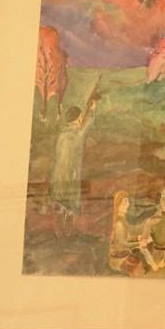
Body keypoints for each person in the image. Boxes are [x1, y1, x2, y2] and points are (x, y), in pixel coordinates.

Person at [49, 92, 98, 237]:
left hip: (58, 175)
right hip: (71, 175)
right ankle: (67, 234)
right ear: (78, 118)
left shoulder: (61, 134)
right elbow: (89, 122)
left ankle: (60, 233)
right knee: (70, 205)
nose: (82, 118)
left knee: (60, 202)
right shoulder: (77, 133)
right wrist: (93, 107)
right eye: (81, 116)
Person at [107, 190, 144, 276]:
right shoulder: (119, 224)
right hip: (119, 258)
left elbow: (127, 237)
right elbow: (123, 243)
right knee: (140, 267)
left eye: (127, 201)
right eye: (124, 202)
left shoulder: (122, 220)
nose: (127, 204)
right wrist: (139, 244)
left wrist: (138, 237)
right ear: (118, 205)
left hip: (123, 254)